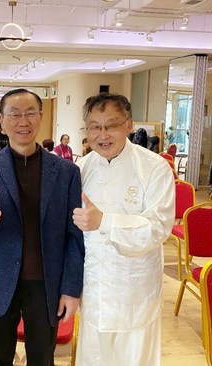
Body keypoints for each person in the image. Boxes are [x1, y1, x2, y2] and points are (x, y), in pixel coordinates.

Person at [0, 88, 85, 366]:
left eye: (30, 113)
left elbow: (74, 236)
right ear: (3, 121)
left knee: (43, 358)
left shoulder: (66, 172)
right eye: (14, 114)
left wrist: (70, 288)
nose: (23, 121)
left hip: (47, 282)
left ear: (40, 117)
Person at [72, 93, 175, 366]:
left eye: (111, 125)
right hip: (93, 289)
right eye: (94, 126)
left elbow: (159, 227)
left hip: (135, 292)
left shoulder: (154, 168)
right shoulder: (80, 169)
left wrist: (105, 222)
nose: (102, 135)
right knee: (93, 358)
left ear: (128, 125)